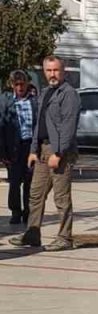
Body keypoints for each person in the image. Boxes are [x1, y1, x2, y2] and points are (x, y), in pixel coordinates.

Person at [9, 56, 78, 251]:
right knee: (35, 195)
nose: (52, 74)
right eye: (49, 71)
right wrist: (33, 150)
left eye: (56, 70)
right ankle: (32, 233)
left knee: (61, 197)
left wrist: (59, 152)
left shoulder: (69, 94)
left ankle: (65, 237)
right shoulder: (46, 92)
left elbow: (68, 126)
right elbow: (38, 124)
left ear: (63, 71)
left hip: (59, 152)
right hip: (41, 151)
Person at [1, 71, 36, 226]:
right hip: (14, 147)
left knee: (30, 181)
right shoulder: (5, 101)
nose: (20, 87)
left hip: (31, 147)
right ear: (12, 85)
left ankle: (28, 213)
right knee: (14, 182)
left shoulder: (34, 101)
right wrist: (2, 152)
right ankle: (15, 211)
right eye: (17, 84)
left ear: (27, 84)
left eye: (22, 84)